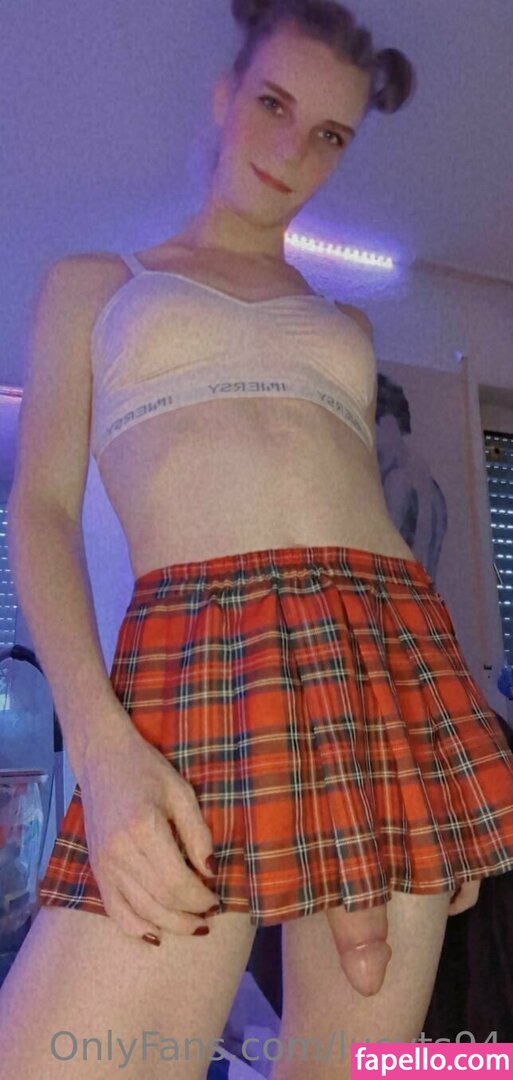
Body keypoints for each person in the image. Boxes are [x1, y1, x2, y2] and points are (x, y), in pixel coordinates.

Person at [2, 1, 513, 1076]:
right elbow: (40, 510)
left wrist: (442, 738)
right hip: (197, 660)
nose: (292, 150)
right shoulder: (97, 286)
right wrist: (100, 745)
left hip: (389, 660)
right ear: (223, 96)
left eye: (329, 133)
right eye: (273, 104)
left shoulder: (348, 324)